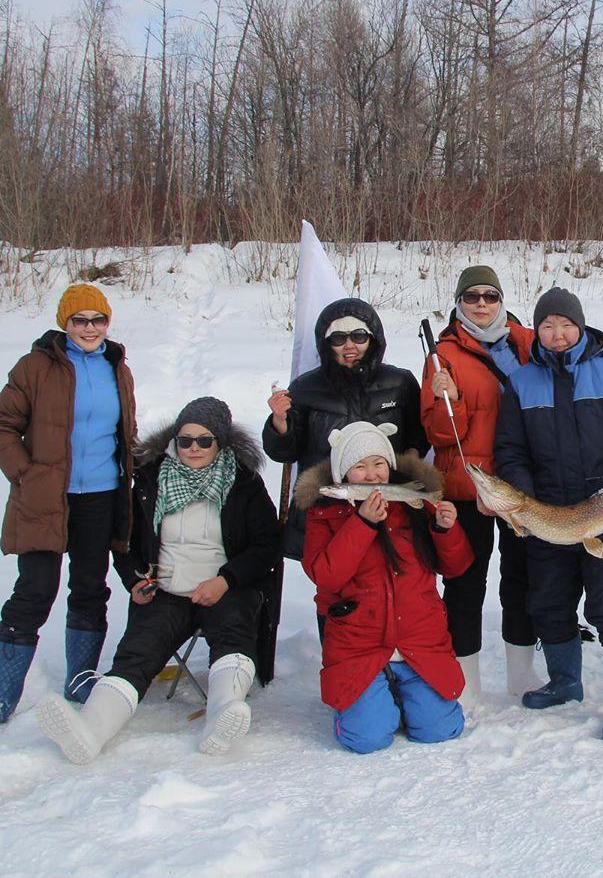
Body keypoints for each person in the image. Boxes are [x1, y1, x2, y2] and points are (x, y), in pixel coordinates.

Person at [36, 397, 279, 762]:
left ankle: (222, 715)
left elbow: (265, 546)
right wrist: (135, 580)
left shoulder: (243, 483)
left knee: (234, 637)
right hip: (165, 591)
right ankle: (89, 730)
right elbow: (125, 541)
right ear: (174, 440)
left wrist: (226, 581)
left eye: (204, 440)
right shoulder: (151, 479)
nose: (193, 448)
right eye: (185, 440)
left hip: (225, 588)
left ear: (221, 443)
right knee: (136, 653)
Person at [495, 287, 603, 743]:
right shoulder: (521, 382)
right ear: (537, 330)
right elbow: (510, 452)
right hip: (549, 515)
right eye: (548, 325)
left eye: (566, 324)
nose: (558, 333)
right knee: (548, 603)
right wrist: (529, 503)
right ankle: (566, 682)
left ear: (581, 326)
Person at [0, 284, 137, 723]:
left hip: (100, 494)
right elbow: (4, 425)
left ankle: (80, 681)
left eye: (99, 320)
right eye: (81, 320)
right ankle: (4, 693)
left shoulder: (117, 366)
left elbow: (123, 430)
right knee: (35, 591)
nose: (90, 328)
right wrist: (25, 473)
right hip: (45, 495)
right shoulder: (35, 367)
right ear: (66, 323)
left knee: (90, 587)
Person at [297, 421, 473, 754]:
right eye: (359, 467)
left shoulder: (413, 505)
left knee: (441, 730)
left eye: (378, 463)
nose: (372, 474)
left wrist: (445, 530)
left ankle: (397, 698)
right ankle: (371, 703)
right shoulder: (325, 515)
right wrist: (361, 524)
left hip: (418, 642)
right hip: (360, 647)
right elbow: (326, 577)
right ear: (343, 473)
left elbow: (457, 566)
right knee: (366, 739)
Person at [420, 266, 538, 700]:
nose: (482, 304)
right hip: (467, 487)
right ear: (459, 303)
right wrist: (445, 398)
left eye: (490, 295)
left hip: (519, 485)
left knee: (521, 581)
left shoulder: (526, 343)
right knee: (465, 584)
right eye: (472, 297)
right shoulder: (442, 355)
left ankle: (521, 674)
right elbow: (437, 434)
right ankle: (465, 682)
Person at [264, 298, 429, 563]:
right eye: (338, 338)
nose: (349, 345)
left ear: (373, 338)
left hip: (390, 502)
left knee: (397, 577)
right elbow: (286, 451)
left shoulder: (399, 382)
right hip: (330, 508)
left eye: (358, 336)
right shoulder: (305, 388)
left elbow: (420, 433)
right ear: (326, 344)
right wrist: (280, 423)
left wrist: (407, 464)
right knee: (336, 583)